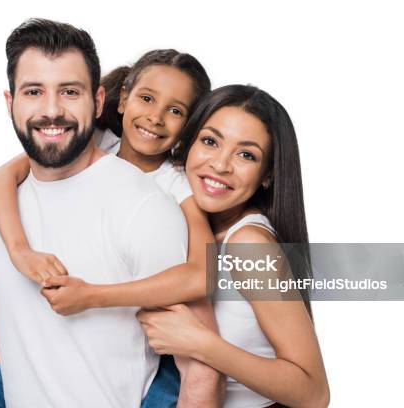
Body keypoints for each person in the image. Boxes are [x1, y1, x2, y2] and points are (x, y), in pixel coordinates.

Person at [0, 18, 208, 407]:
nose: (52, 110)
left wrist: (93, 296)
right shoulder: (81, 147)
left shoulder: (167, 194)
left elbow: (200, 285)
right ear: (120, 99)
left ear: (94, 101)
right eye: (33, 91)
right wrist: (18, 249)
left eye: (69, 91)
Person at [137, 85, 331, 407]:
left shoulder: (248, 245)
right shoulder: (182, 221)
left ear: (267, 175)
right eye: (210, 141)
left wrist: (200, 343)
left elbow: (313, 393)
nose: (221, 165)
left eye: (246, 155)